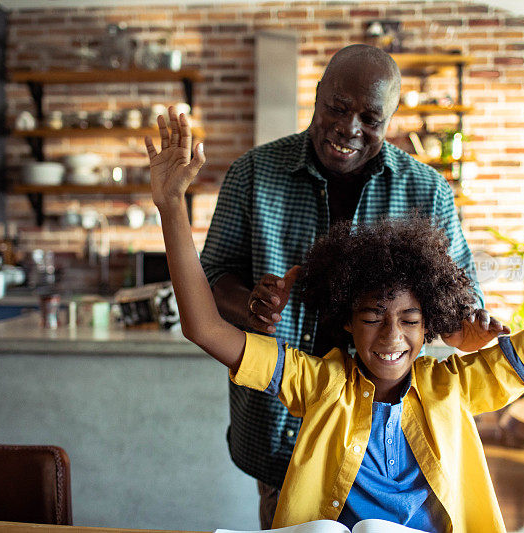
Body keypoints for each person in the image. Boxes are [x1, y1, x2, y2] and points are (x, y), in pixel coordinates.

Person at [145, 112, 524, 533]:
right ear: (345, 320)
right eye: (371, 317)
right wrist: (171, 207)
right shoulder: (320, 383)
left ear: (430, 323)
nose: (391, 337)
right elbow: (205, 329)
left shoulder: (456, 387)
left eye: (410, 320)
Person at [199, 44, 505, 525]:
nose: (350, 128)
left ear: (392, 116)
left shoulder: (427, 191)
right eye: (338, 108)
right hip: (283, 425)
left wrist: (471, 323)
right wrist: (250, 307)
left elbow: (457, 303)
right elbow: (212, 279)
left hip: (389, 451)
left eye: (371, 117)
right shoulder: (252, 175)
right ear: (318, 95)